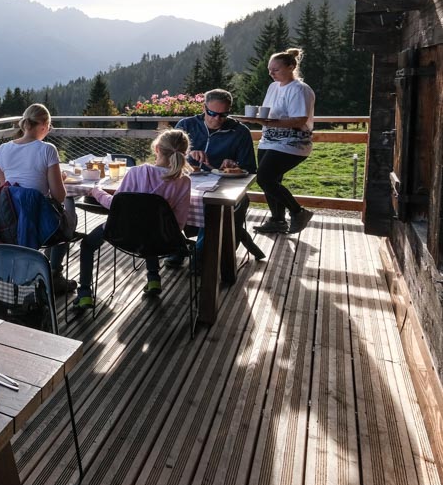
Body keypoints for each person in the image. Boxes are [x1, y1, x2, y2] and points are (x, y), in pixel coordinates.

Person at [74, 128, 193, 309]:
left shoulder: (137, 172)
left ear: (157, 149)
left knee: (88, 244)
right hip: (161, 238)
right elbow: (179, 222)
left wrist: (96, 192)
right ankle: (153, 279)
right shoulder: (184, 182)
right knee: (151, 228)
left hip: (123, 233)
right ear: (185, 153)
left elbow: (116, 206)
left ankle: (84, 294)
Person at [0, 103, 76, 294]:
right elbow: (59, 195)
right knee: (70, 212)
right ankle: (54, 274)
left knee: (59, 215)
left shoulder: (3, 149)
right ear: (44, 125)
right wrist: (59, 178)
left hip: (10, 222)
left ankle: (47, 273)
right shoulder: (47, 149)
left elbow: (8, 190)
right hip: (39, 223)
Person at [174, 88, 264, 261]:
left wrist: (234, 165)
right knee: (165, 200)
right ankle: (176, 250)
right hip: (186, 182)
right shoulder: (186, 125)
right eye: (212, 113)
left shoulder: (240, 132)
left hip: (224, 186)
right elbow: (167, 155)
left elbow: (250, 169)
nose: (217, 119)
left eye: (223, 115)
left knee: (216, 208)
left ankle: (200, 258)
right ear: (204, 108)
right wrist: (186, 155)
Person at [239, 48, 315, 235]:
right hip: (269, 139)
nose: (271, 73)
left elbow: (299, 120)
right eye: (269, 69)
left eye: (276, 69)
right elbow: (270, 112)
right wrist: (258, 119)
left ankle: (298, 212)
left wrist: (263, 121)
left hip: (293, 142)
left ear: (291, 67)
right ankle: (277, 220)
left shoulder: (300, 89)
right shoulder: (273, 87)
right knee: (272, 179)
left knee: (265, 178)